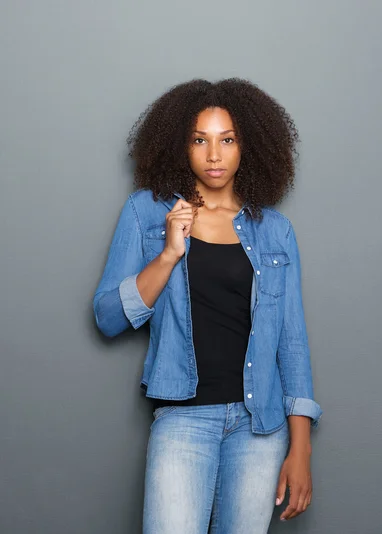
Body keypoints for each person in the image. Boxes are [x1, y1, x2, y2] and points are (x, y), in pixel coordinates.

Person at [92, 78, 323, 534]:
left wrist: (301, 450)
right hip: (183, 418)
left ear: (248, 146)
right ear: (181, 145)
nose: (214, 155)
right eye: (200, 139)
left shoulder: (275, 231)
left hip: (260, 426)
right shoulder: (147, 213)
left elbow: (292, 345)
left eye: (227, 139)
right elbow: (107, 318)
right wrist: (168, 255)